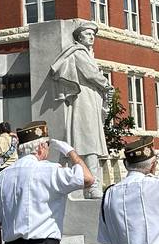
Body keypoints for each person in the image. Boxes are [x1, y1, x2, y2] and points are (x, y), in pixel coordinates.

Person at [48, 22, 113, 198]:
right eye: (87, 33)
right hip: (84, 101)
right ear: (79, 37)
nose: (92, 37)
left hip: (92, 99)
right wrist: (107, 84)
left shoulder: (87, 54)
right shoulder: (79, 53)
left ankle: (92, 184)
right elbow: (91, 74)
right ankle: (92, 185)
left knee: (91, 141)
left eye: (93, 34)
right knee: (88, 141)